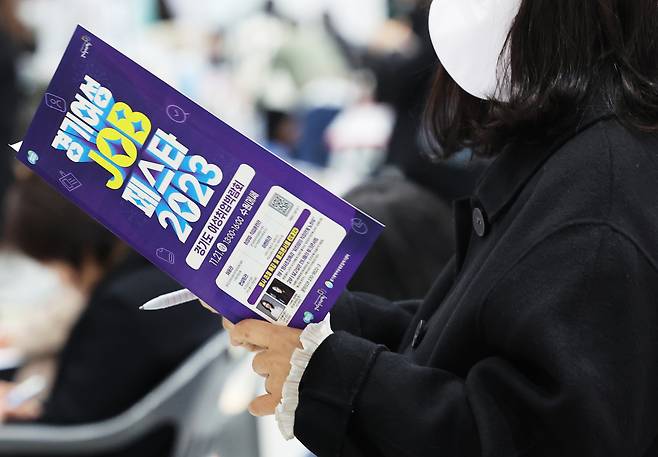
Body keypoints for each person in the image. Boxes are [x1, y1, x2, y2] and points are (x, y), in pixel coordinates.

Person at [222, 1, 658, 456]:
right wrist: (324, 314)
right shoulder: (571, 148)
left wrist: (329, 374)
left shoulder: (598, 198)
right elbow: (471, 332)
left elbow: (535, 436)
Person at [0, 176, 218, 457]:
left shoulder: (121, 310)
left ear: (73, 247)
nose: (62, 279)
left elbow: (66, 431)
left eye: (53, 263)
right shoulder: (169, 276)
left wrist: (14, 414)